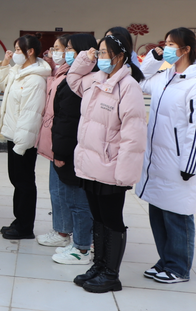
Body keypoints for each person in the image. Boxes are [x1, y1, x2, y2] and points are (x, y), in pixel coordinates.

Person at [67, 33, 147, 293]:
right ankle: (99, 266)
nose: (99, 56)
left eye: (103, 53)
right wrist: (85, 58)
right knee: (98, 218)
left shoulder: (129, 87)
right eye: (98, 52)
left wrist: (124, 173)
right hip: (91, 164)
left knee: (111, 219)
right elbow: (73, 80)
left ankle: (111, 274)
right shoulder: (96, 80)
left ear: (120, 56)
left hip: (112, 168)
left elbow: (134, 135)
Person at [137, 28, 196, 284]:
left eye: (172, 44)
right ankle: (166, 261)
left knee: (177, 215)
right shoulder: (165, 77)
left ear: (186, 49)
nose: (167, 48)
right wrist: (154, 58)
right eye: (166, 43)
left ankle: (179, 267)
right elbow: (139, 80)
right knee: (158, 212)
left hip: (179, 163)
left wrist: (190, 165)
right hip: (157, 160)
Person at [0, 34, 51, 240]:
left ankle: (25, 227)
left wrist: (21, 144)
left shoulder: (35, 79)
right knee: (16, 180)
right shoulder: (19, 71)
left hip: (23, 140)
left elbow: (31, 115)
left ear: (30, 51)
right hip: (14, 135)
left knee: (24, 182)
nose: (16, 53)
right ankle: (18, 220)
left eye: (19, 50)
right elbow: (3, 84)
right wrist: (5, 63)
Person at [50, 33, 97, 266]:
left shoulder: (78, 83)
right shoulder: (76, 79)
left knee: (79, 203)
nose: (66, 53)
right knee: (77, 201)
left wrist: (59, 152)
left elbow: (67, 121)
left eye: (70, 49)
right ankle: (80, 242)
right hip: (76, 149)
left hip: (74, 151)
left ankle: (82, 247)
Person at [35, 35, 74, 248]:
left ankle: (62, 231)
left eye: (59, 48)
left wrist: (60, 148)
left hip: (60, 142)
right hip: (54, 139)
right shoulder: (59, 72)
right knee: (56, 189)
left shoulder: (70, 77)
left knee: (60, 191)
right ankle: (60, 228)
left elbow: (65, 117)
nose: (54, 51)